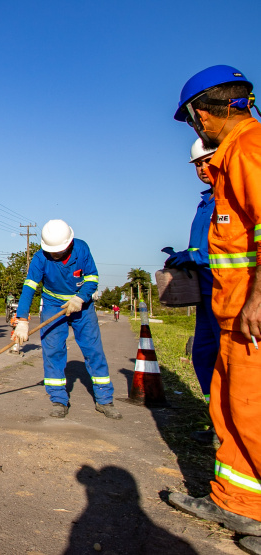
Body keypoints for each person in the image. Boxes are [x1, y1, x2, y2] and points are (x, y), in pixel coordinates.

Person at [167, 65, 261, 548]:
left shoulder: (248, 148)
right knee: (230, 409)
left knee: (252, 412)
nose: (194, 127)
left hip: (252, 317)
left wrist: (258, 297)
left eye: (190, 120)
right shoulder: (230, 160)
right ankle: (236, 503)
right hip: (230, 314)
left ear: (202, 112)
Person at [12, 219, 121, 420]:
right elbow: (29, 287)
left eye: (58, 251)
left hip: (82, 306)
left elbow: (92, 278)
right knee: (53, 351)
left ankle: (105, 400)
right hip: (53, 306)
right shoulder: (39, 258)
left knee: (93, 351)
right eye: (51, 251)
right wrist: (22, 320)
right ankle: (59, 400)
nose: (54, 254)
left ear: (69, 243)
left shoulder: (82, 249)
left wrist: (80, 297)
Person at [161, 139, 221, 416]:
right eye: (198, 164)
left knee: (230, 361)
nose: (203, 168)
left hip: (228, 294)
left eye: (208, 161)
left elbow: (236, 251)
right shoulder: (205, 203)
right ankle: (216, 416)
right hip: (205, 294)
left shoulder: (232, 198)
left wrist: (195, 257)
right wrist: (182, 255)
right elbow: (205, 246)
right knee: (203, 355)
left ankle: (235, 422)